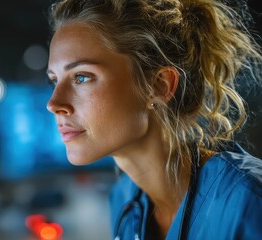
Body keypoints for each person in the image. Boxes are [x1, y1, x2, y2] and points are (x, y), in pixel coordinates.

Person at [45, 0, 262, 239]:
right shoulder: (123, 200)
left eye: (82, 77)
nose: (54, 104)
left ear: (158, 85)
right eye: (54, 80)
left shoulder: (248, 201)